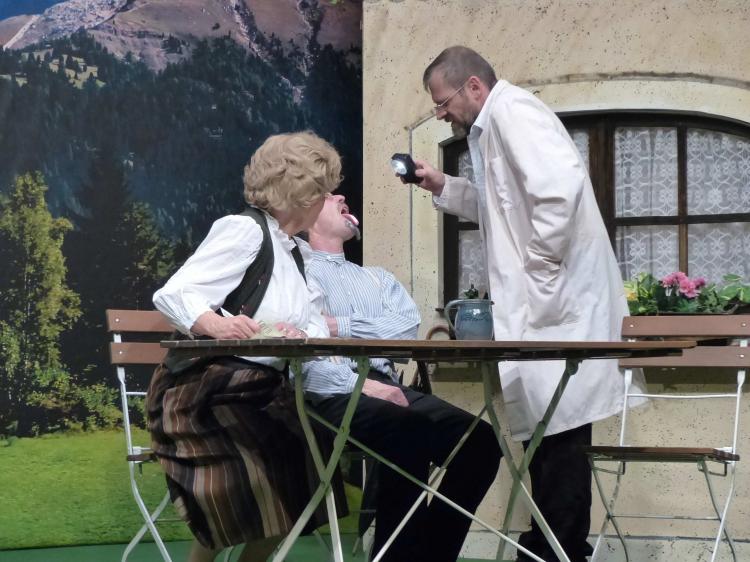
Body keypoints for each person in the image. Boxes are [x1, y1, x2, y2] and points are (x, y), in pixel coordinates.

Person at [409, 46, 646, 562]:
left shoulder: (514, 112)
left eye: (442, 102)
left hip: (558, 310)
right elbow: (502, 207)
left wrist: (538, 270)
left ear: (474, 86)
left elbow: (560, 190)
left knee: (558, 434)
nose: (441, 113)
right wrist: (443, 185)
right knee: (546, 435)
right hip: (545, 313)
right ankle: (550, 547)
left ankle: (557, 550)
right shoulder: (493, 127)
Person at [146, 131, 345, 562]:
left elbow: (311, 322)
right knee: (253, 468)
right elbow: (175, 293)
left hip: (263, 391)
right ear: (303, 194)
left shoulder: (294, 253)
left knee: (307, 471)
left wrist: (300, 336)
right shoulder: (245, 231)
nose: (327, 199)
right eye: (323, 191)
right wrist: (217, 323)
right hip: (206, 390)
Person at [300, 193, 501, 562]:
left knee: (481, 442)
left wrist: (337, 325)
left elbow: (404, 331)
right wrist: (364, 375)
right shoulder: (298, 272)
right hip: (331, 387)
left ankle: (429, 556)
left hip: (386, 381)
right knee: (407, 429)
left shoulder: (378, 279)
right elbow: (306, 348)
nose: (341, 196)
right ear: (306, 212)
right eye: (328, 195)